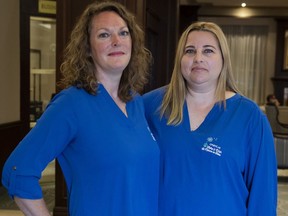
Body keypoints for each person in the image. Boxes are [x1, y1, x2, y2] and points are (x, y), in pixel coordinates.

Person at [2, 1, 159, 215]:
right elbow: (18, 171)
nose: (116, 41)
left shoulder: (135, 102)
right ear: (88, 48)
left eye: (123, 33)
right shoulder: (71, 104)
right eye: (104, 35)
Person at [143, 21, 277, 216]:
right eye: (189, 51)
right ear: (180, 59)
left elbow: (263, 195)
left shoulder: (250, 116)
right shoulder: (150, 107)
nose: (198, 58)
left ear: (223, 59)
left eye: (208, 51)